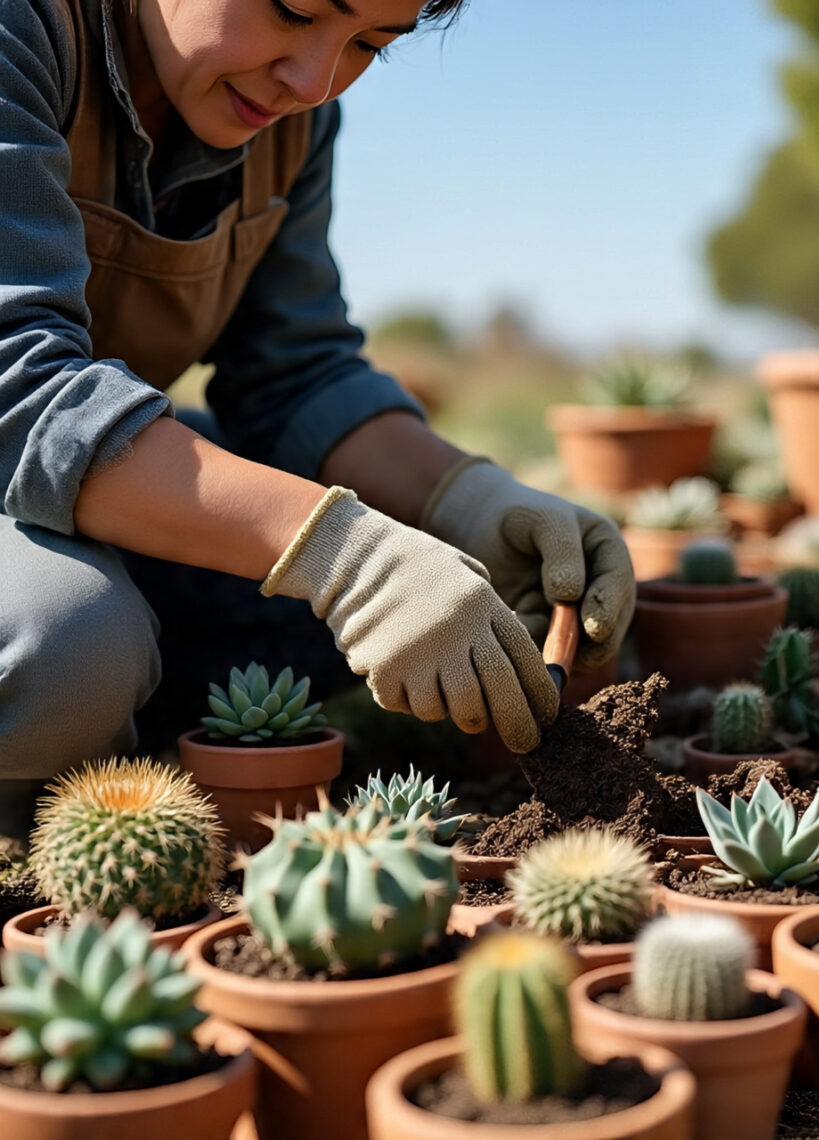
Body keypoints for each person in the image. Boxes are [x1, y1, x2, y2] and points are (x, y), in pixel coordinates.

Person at [0, 0, 635, 833]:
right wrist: (345, 557)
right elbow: (19, 389)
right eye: (295, 10)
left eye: (370, 43)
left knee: (434, 607)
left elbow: (293, 375)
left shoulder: (285, 115)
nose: (316, 80)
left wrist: (467, 506)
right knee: (70, 646)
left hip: (70, 485)